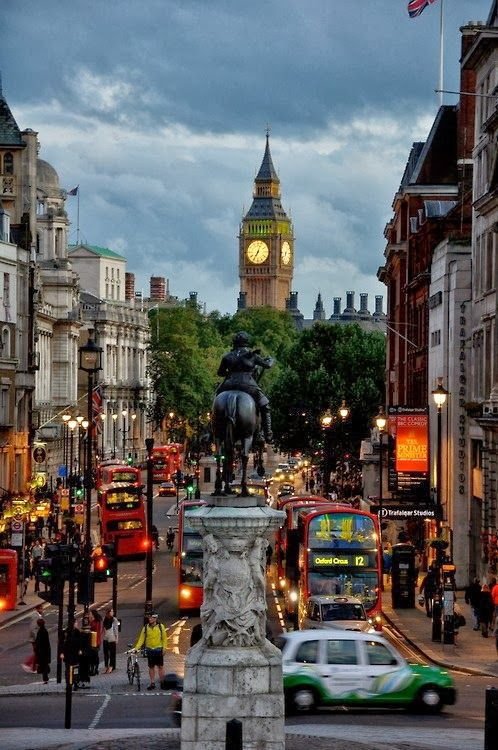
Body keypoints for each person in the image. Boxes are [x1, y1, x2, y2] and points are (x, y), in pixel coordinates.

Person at [216, 331, 274, 442]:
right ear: (247, 342)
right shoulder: (252, 355)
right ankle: (268, 434)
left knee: (216, 399)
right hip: (248, 385)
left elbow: (220, 373)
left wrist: (231, 372)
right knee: (265, 405)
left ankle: (211, 430)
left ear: (234, 343)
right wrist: (271, 359)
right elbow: (267, 365)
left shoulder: (227, 356)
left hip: (228, 384)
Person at [133, 612, 168, 690]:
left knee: (160, 666)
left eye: (151, 618)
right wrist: (136, 648)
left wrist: (164, 648)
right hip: (150, 650)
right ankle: (152, 683)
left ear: (155, 618)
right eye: (149, 618)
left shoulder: (160, 627)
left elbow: (164, 639)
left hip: (158, 649)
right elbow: (141, 639)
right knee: (151, 667)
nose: (150, 619)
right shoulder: (145, 628)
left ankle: (162, 683)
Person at [102, 607, 119, 673]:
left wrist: (117, 638)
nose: (113, 613)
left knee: (112, 653)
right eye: (112, 611)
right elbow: (103, 629)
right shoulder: (105, 619)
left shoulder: (114, 619)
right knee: (106, 653)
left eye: (113, 611)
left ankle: (111, 666)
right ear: (108, 612)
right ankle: (106, 666)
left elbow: (116, 629)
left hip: (112, 638)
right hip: (105, 638)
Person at [34, 618, 51, 684]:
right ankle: (45, 678)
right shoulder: (44, 631)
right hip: (45, 651)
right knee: (44, 665)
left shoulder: (41, 632)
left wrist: (36, 650)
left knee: (43, 665)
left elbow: (39, 642)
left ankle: (45, 679)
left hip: (42, 652)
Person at [89, 609, 103, 675]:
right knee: (93, 656)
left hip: (95, 641)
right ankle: (94, 669)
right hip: (94, 641)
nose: (89, 615)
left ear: (93, 614)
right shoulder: (95, 621)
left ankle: (94, 669)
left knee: (93, 656)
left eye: (90, 614)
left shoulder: (96, 622)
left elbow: (95, 631)